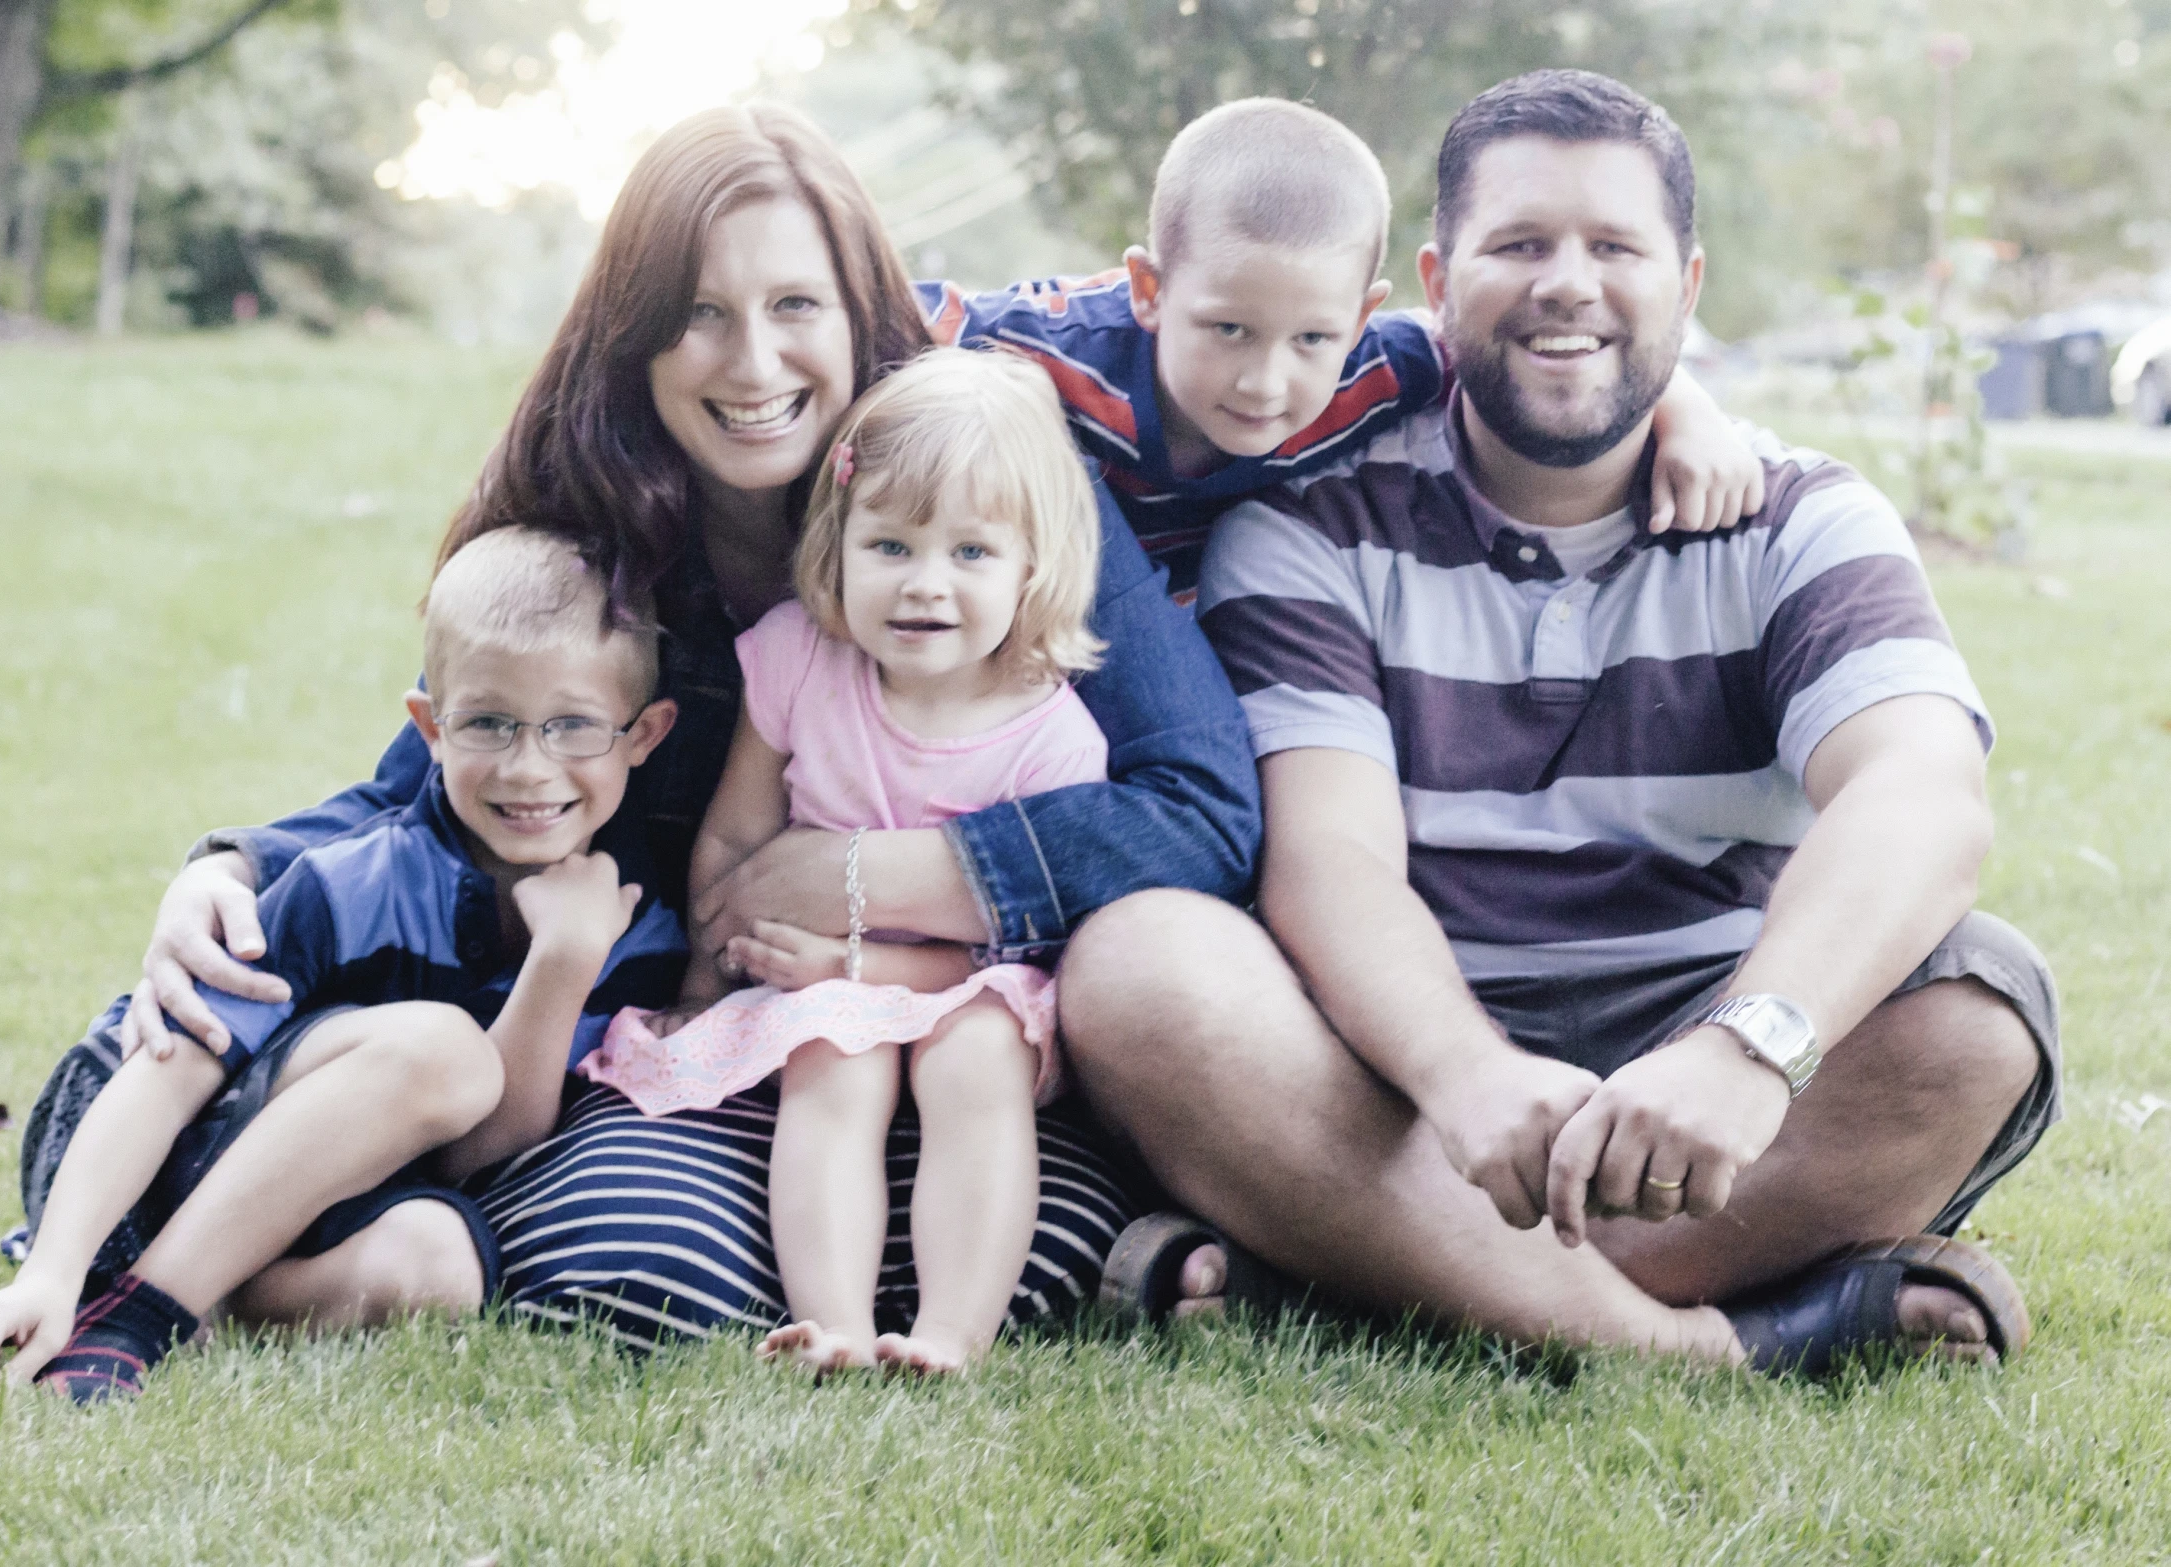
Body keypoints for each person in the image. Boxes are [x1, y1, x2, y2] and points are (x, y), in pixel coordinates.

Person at [107, 104, 1258, 1348]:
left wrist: (873, 881)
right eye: (702, 312)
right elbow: (451, 768)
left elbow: (1199, 805)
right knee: (639, 1260)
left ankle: (1020, 1278)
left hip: (963, 1018)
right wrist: (237, 863)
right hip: (728, 1025)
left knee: (995, 1156)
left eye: (795, 308)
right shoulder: (600, 521)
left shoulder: (983, 480)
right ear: (637, 335)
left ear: (859, 307)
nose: (753, 364)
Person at [1067, 70, 2059, 1374]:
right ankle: (1712, 1346)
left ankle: (1347, 1267)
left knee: (1981, 1012)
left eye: (1612, 247)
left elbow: (1919, 793)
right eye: (1520, 244)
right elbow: (1330, 857)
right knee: (1142, 962)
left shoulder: (1799, 517)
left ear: (1685, 285)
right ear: (1434, 278)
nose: (1566, 284)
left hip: (1704, 1034)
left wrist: (1746, 1048)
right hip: (1385, 1076)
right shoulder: (1310, 528)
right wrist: (1462, 1074)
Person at [0, 529, 683, 1400]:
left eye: (573, 726)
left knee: (445, 1264)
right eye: (488, 722)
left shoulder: (631, 927)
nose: (529, 766)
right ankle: (137, 1307)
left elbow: (483, 1151)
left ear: (645, 733)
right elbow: (168, 1071)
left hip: (296, 1207)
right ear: (429, 728)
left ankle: (190, 1300)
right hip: (134, 1150)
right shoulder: (354, 876)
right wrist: (53, 1270)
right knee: (443, 1050)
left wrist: (564, 958)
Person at [586, 350, 1112, 1374]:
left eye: (970, 551)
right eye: (890, 544)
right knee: (838, 1055)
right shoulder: (796, 659)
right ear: (836, 546)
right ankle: (828, 1322)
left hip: (968, 981)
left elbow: (1034, 943)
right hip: (814, 984)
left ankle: (951, 1331)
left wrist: (858, 968)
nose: (925, 583)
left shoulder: (1054, 738)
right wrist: (708, 978)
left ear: (1030, 569)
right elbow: (735, 843)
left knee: (976, 1058)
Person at [919, 96, 1767, 601]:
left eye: (1312, 339)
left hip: (1194, 636)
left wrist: (1684, 410)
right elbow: (889, 311)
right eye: (1228, 329)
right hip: (1028, 605)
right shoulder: (1047, 346)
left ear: (1362, 317)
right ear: (1149, 290)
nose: (1265, 380)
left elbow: (1532, 345)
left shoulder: (1377, 368)